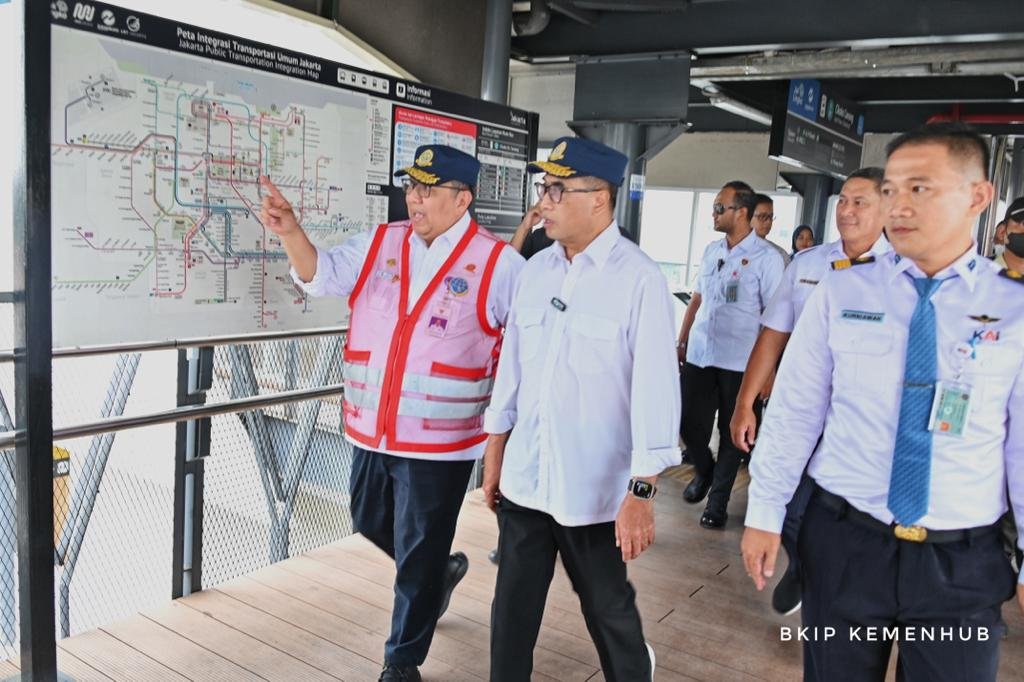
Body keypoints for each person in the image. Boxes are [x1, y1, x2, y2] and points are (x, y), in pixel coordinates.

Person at [742, 122, 1024, 681]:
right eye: (891, 189)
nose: (899, 204)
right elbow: (798, 410)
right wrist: (765, 512)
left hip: (959, 562)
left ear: (978, 196)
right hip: (845, 544)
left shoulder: (1013, 308)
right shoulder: (844, 291)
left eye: (920, 188)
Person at [260, 144, 524, 682]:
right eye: (411, 187)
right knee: (369, 519)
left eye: (428, 189)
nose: (415, 198)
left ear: (462, 198)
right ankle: (438, 573)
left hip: (442, 442)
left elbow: (528, 346)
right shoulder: (382, 243)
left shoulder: (499, 265)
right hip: (372, 431)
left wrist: (508, 432)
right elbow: (321, 274)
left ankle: (401, 660)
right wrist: (290, 231)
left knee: (419, 552)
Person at [482, 137, 680, 681]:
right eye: (543, 189)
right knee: (512, 612)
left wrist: (641, 491)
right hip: (527, 478)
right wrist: (495, 452)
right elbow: (512, 373)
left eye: (555, 190)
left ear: (599, 199)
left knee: (608, 611)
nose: (542, 202)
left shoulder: (638, 279)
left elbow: (656, 390)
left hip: (595, 491)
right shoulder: (535, 271)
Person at [729, 166, 889, 616]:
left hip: (858, 420)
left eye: (861, 202)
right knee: (791, 500)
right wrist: (745, 402)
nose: (847, 211)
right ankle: (803, 565)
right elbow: (772, 335)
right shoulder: (809, 264)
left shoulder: (903, 272)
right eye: (843, 201)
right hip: (800, 407)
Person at [677, 180, 785, 529]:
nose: (714, 213)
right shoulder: (712, 250)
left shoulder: (768, 259)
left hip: (743, 362)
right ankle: (704, 470)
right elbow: (697, 299)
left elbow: (777, 319)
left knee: (733, 432)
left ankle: (718, 503)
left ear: (742, 212)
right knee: (687, 423)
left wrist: (769, 371)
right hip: (701, 353)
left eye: (720, 207)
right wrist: (681, 340)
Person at [752, 193, 791, 266]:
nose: (769, 221)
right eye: (763, 216)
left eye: (770, 217)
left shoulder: (780, 255)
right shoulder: (729, 251)